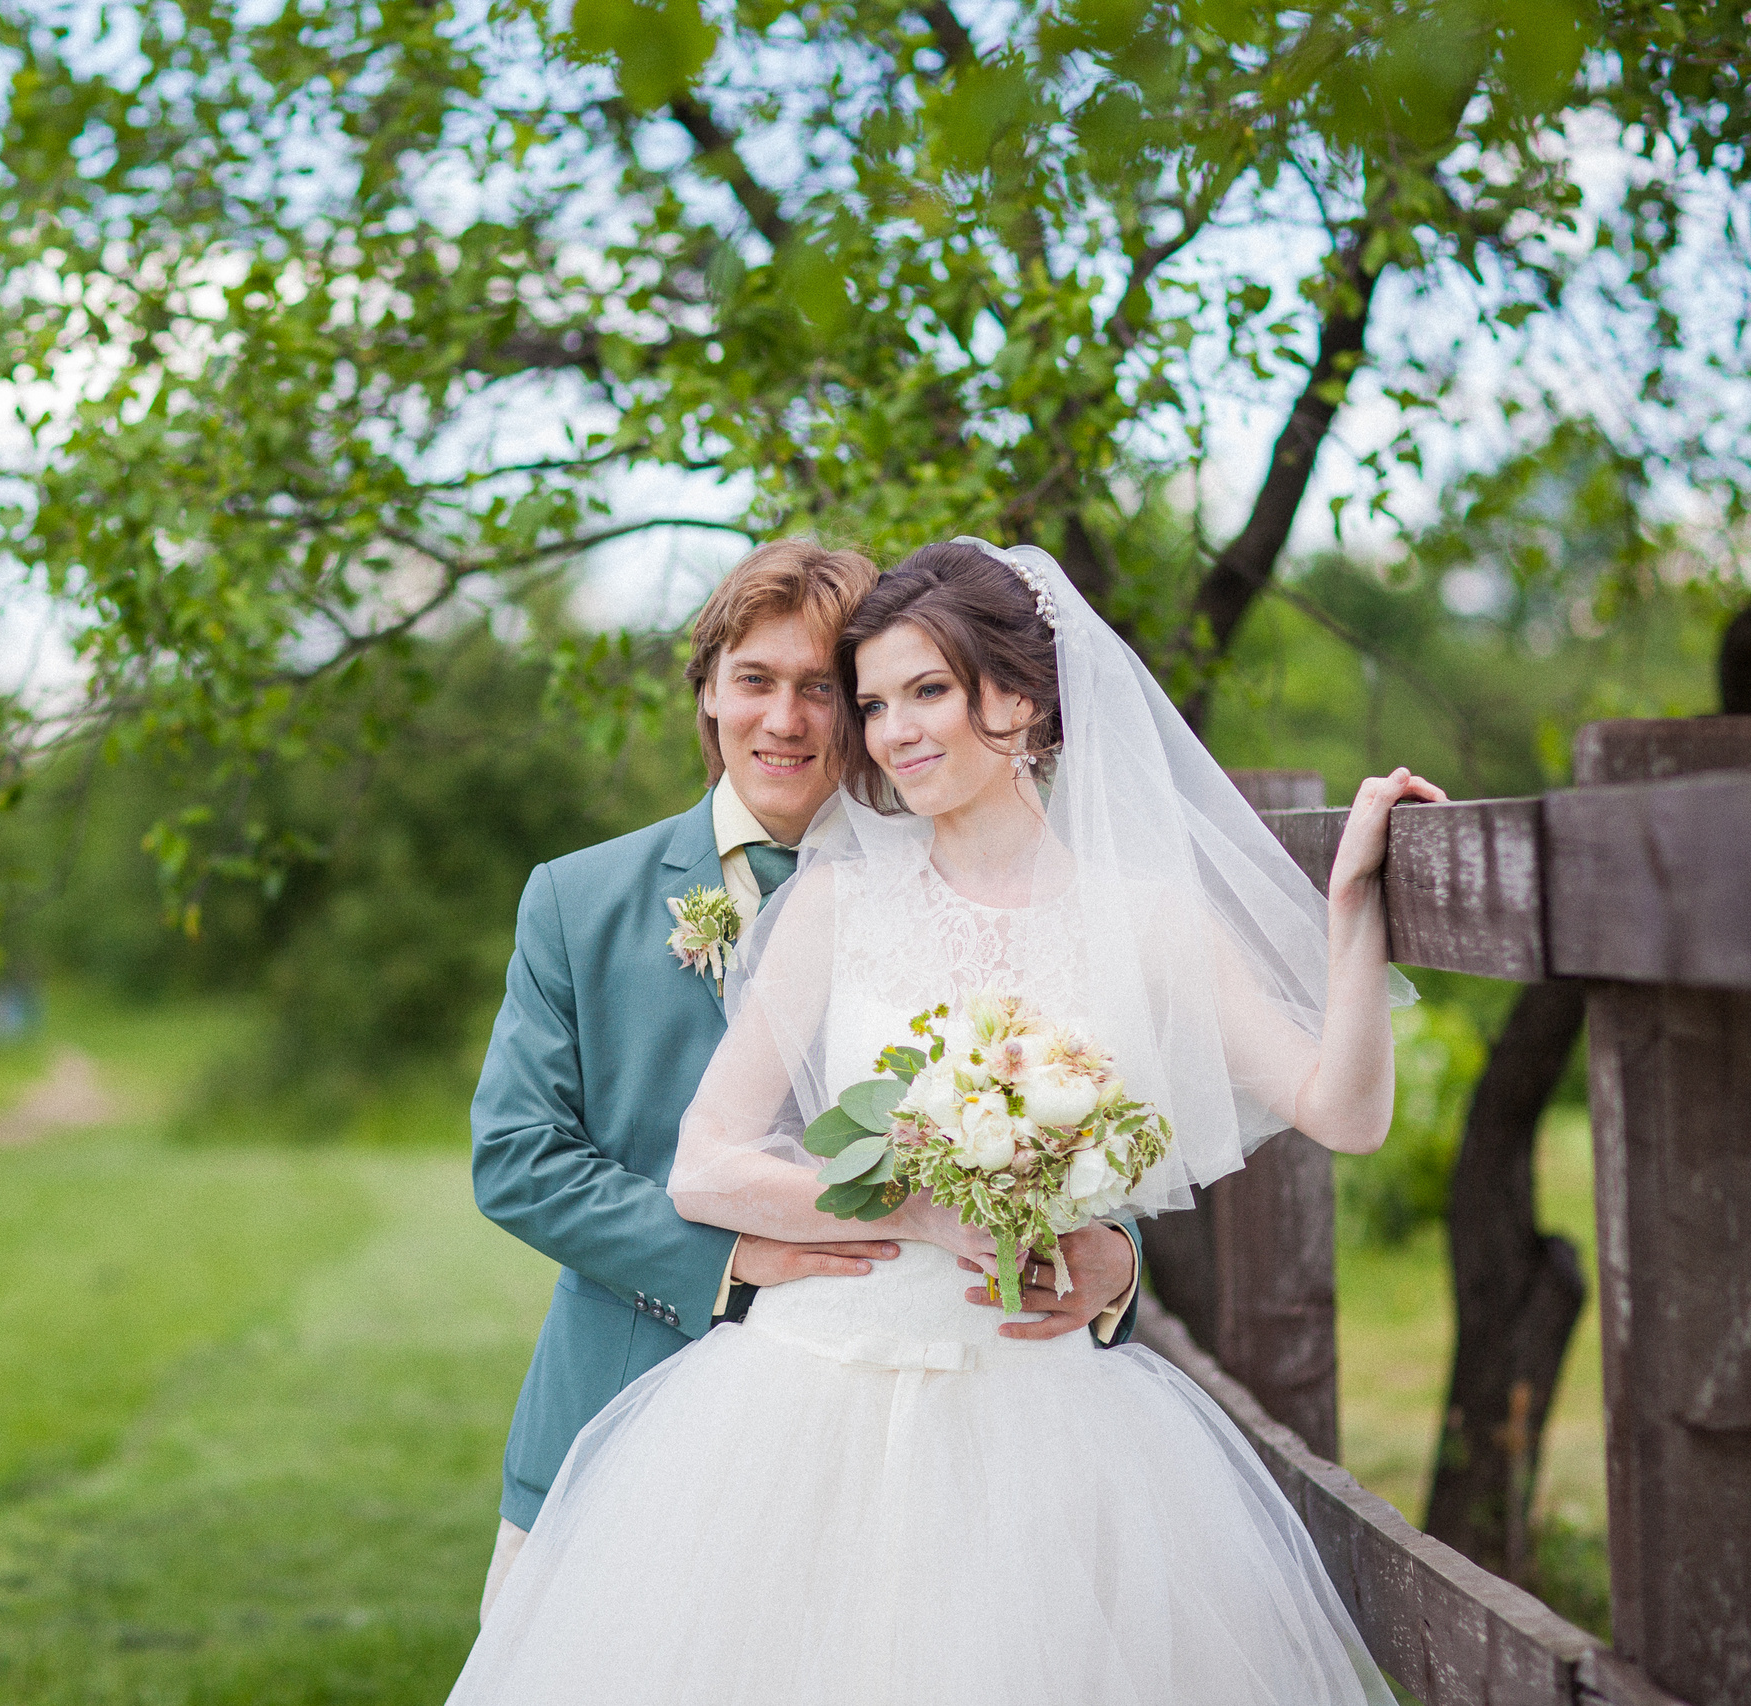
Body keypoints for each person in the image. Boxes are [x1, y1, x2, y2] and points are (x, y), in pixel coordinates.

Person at [449, 539, 1442, 1704]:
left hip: (1039, 1413)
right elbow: (689, 1164)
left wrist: (1350, 910)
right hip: (795, 1404)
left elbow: (1341, 1111)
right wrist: (919, 1207)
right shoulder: (832, 897)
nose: (888, 731)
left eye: (918, 691)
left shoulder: (1150, 919)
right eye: (874, 702)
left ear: (1018, 698)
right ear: (708, 692)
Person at [468, 538, 1147, 1620]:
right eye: (754, 679)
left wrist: (1115, 1255)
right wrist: (732, 1256)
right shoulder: (577, 898)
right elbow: (519, 1160)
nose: (783, 719)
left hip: (918, 1455)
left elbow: (1059, 1101)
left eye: (821, 689)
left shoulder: (978, 883)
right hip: (615, 1412)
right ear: (707, 691)